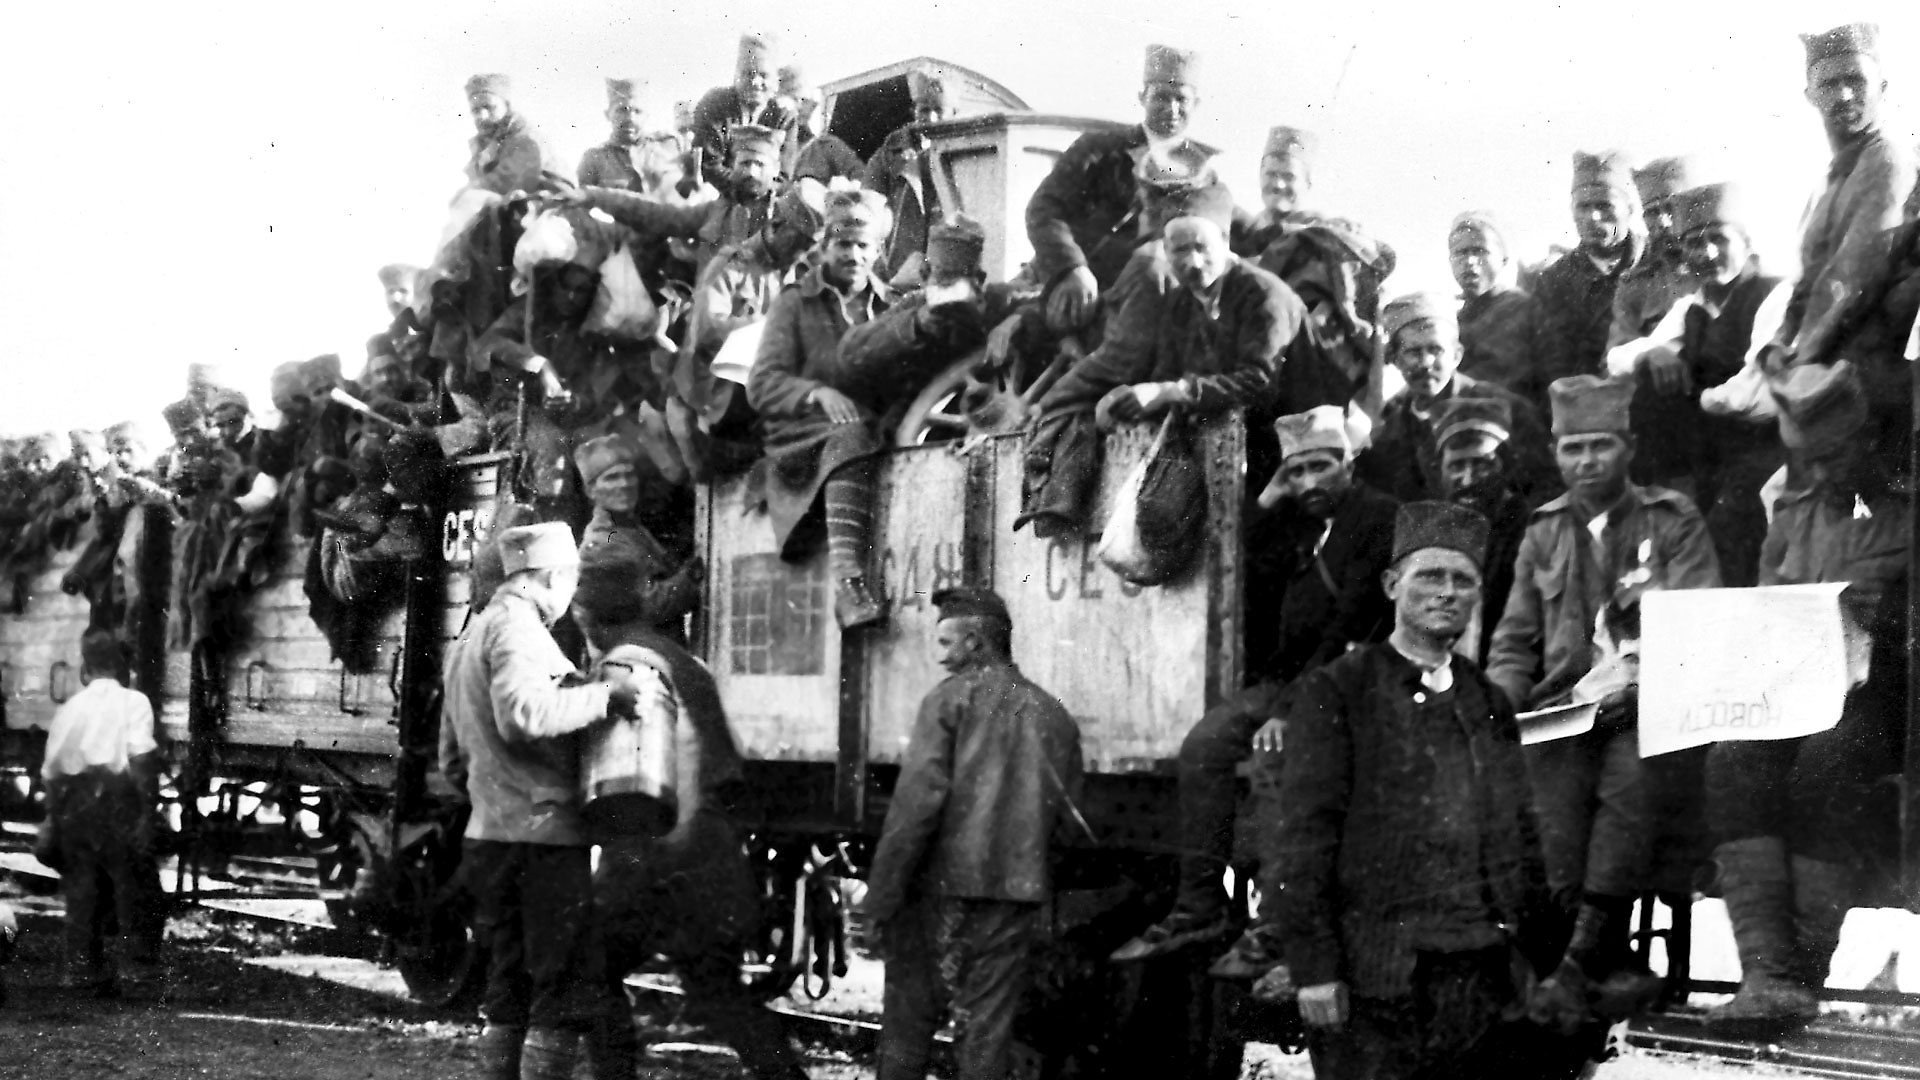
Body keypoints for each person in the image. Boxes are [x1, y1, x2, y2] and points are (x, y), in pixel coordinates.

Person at [1276, 501, 1565, 1079]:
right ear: (1392, 585)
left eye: (1463, 580)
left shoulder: (1487, 701)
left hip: (1478, 971)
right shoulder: (1339, 690)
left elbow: (1521, 838)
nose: (1447, 592)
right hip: (1376, 975)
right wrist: (1314, 970)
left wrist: (1539, 962)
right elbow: (1304, 839)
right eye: (1430, 576)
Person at [1112, 406, 1397, 970]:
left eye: (1322, 466)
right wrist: (1270, 495)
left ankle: (1275, 924)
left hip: (1347, 678)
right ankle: (1200, 907)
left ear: (1350, 462)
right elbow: (1236, 557)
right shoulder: (1301, 521)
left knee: (1274, 758)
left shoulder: (1376, 516)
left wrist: (1288, 709)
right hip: (1289, 679)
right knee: (1204, 747)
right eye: (1298, 471)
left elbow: (1353, 621)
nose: (1310, 482)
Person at [1486, 374, 1722, 1033]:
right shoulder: (1543, 532)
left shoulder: (1672, 519)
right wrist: (1497, 703)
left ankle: (1581, 962)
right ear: (1555, 454)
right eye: (1573, 448)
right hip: (1565, 710)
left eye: (1601, 446)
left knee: (1629, 776)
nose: (1587, 461)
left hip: (1655, 705)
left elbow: (1701, 625)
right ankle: (1596, 959)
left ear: (1630, 447)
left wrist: (1646, 688)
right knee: (1549, 798)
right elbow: (1514, 639)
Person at [1704, 361, 1910, 1032]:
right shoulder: (1793, 511)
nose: (1821, 472)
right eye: (1809, 459)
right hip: (1797, 686)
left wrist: (1884, 623)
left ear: (1868, 438)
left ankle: (1803, 971)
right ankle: (1765, 973)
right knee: (1732, 757)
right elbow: (1768, 605)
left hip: (1889, 701)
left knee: (1830, 759)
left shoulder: (1908, 511)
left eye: (1835, 455)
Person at [569, 561, 810, 1080]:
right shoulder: (685, 662)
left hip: (657, 858)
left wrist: (616, 875)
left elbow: (632, 792)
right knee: (719, 994)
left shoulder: (624, 665)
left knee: (588, 971)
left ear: (585, 615)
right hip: (710, 859)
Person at [438, 521, 649, 1080]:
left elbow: (451, 760)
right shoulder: (519, 630)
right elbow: (523, 715)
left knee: (509, 981)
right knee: (561, 986)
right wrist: (607, 697)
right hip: (542, 840)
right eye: (570, 581)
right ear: (552, 576)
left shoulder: (469, 638)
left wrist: (494, 790)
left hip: (491, 836)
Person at [863, 586, 1085, 1080]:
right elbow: (1068, 826)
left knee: (908, 1021)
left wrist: (880, 901)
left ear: (976, 643)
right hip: (1016, 895)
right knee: (988, 1030)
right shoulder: (1054, 715)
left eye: (946, 643)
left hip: (942, 891)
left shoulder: (947, 702)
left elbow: (913, 813)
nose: (939, 656)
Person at [1607, 181, 1789, 586]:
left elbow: (1756, 392)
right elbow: (1618, 360)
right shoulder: (1691, 307)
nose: (1706, 253)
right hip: (1712, 454)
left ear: (1746, 242)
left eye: (1718, 239)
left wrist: (1702, 398)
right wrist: (1653, 352)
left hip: (1767, 449)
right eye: (1693, 243)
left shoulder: (1776, 293)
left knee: (1731, 536)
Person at [745, 189, 907, 630]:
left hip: (867, 426)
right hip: (802, 434)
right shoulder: (795, 303)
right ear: (824, 246)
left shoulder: (890, 307)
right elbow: (761, 384)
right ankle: (848, 583)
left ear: (878, 250)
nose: (853, 255)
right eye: (843, 244)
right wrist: (816, 392)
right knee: (853, 436)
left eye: (863, 246)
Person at [1769, 23, 1919, 469]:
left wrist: (1802, 358)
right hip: (1837, 377)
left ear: (1883, 88)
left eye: (1856, 80)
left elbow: (1855, 276)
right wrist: (1778, 341)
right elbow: (1808, 278)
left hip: (1877, 376)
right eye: (1830, 85)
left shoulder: (1888, 160)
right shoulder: (1829, 183)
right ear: (1810, 96)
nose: (1845, 95)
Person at [1025, 44, 1214, 335]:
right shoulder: (1098, 151)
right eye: (1161, 96)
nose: (1172, 108)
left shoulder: (1204, 175)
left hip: (1164, 302)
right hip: (1091, 294)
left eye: (1181, 99)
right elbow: (1043, 210)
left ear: (1196, 104)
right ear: (1142, 97)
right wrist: (1072, 268)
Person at [672, 178, 830, 481]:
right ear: (777, 225)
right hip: (717, 394)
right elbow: (707, 329)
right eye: (799, 243)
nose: (802, 254)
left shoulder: (791, 273)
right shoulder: (732, 265)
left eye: (808, 247)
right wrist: (766, 326)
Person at [39, 629, 165, 997]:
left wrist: (52, 820)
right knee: (138, 890)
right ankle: (139, 975)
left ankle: (83, 975)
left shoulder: (69, 709)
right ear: (124, 666)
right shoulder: (134, 702)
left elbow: (52, 772)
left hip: (74, 807)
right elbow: (142, 760)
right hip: (118, 804)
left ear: (85, 667)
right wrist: (147, 814)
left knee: (82, 892)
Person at [1355, 291, 1552, 505]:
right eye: (1413, 352)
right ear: (1395, 359)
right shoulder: (1390, 425)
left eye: (1436, 349)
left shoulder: (1507, 408)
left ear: (1456, 355)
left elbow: (1545, 485)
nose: (1426, 363)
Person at [577, 122, 784, 278]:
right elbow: (653, 212)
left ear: (775, 169)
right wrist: (593, 195)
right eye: (745, 163)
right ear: (733, 166)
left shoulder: (785, 215)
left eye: (760, 164)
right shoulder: (713, 212)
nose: (751, 172)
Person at [1531, 152, 1647, 400]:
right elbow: (1553, 363)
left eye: (1604, 206)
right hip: (1586, 401)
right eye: (1583, 207)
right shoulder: (1554, 280)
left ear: (1629, 209)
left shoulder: (1653, 259)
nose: (1593, 217)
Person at [1431, 396, 1531, 663]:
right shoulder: (1435, 531)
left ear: (1506, 468)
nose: (1467, 479)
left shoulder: (1529, 530)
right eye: (1456, 466)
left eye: (1481, 465)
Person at [574, 435, 702, 639]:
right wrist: (692, 577)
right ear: (591, 491)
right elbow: (646, 606)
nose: (624, 484)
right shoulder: (602, 542)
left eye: (629, 475)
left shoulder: (630, 528)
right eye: (612, 478)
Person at [865, 66, 963, 282]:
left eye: (939, 110)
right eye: (924, 109)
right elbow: (869, 203)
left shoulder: (964, 154)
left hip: (941, 267)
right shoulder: (890, 152)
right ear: (914, 110)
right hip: (896, 268)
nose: (931, 118)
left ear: (955, 113)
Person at [1450, 211, 1542, 399]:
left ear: (1503, 259)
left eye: (1480, 251)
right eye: (1460, 253)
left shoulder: (1522, 308)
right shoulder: (1452, 322)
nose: (1469, 261)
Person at [1609, 156, 1698, 346]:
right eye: (1652, 212)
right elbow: (1618, 348)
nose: (1663, 222)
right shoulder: (1635, 285)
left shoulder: (1719, 270)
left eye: (1671, 209)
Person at [690, 33, 797, 177]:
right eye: (748, 74)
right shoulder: (714, 105)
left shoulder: (784, 116)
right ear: (736, 75)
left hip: (765, 191)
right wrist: (747, 184)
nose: (755, 82)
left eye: (764, 75)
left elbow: (783, 176)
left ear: (776, 79)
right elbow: (709, 166)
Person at [1233, 126, 1319, 256]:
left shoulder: (1316, 238)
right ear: (1260, 175)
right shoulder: (1243, 233)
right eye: (1271, 174)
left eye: (1289, 177)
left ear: (1307, 184)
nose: (1278, 184)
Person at [464, 73, 552, 197]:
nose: (482, 116)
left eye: (489, 107)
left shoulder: (526, 138)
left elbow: (506, 182)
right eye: (475, 110)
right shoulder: (483, 147)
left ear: (507, 106)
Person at [576, 77, 651, 190]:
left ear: (647, 116)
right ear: (608, 114)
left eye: (638, 111)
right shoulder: (593, 158)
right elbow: (583, 197)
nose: (630, 118)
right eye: (622, 110)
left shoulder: (665, 150)